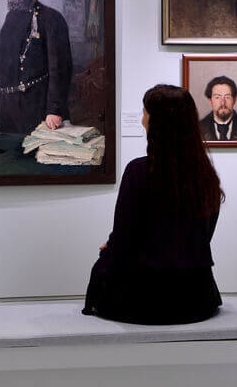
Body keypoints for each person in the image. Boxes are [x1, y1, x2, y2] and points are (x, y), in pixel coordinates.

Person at [84, 84, 224, 325]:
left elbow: (125, 238)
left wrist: (111, 248)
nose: (142, 120)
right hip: (196, 297)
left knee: (105, 262)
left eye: (145, 113)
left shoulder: (138, 171)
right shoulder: (204, 175)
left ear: (157, 122)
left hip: (142, 299)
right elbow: (200, 237)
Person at [0, 0, 72, 135]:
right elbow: (1, 54)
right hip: (6, 106)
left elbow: (60, 69)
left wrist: (54, 109)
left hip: (36, 106)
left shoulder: (52, 19)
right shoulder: (10, 17)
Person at [198, 75, 237, 142]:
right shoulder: (198, 129)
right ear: (210, 101)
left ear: (234, 100)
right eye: (217, 97)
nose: (223, 103)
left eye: (227, 97)